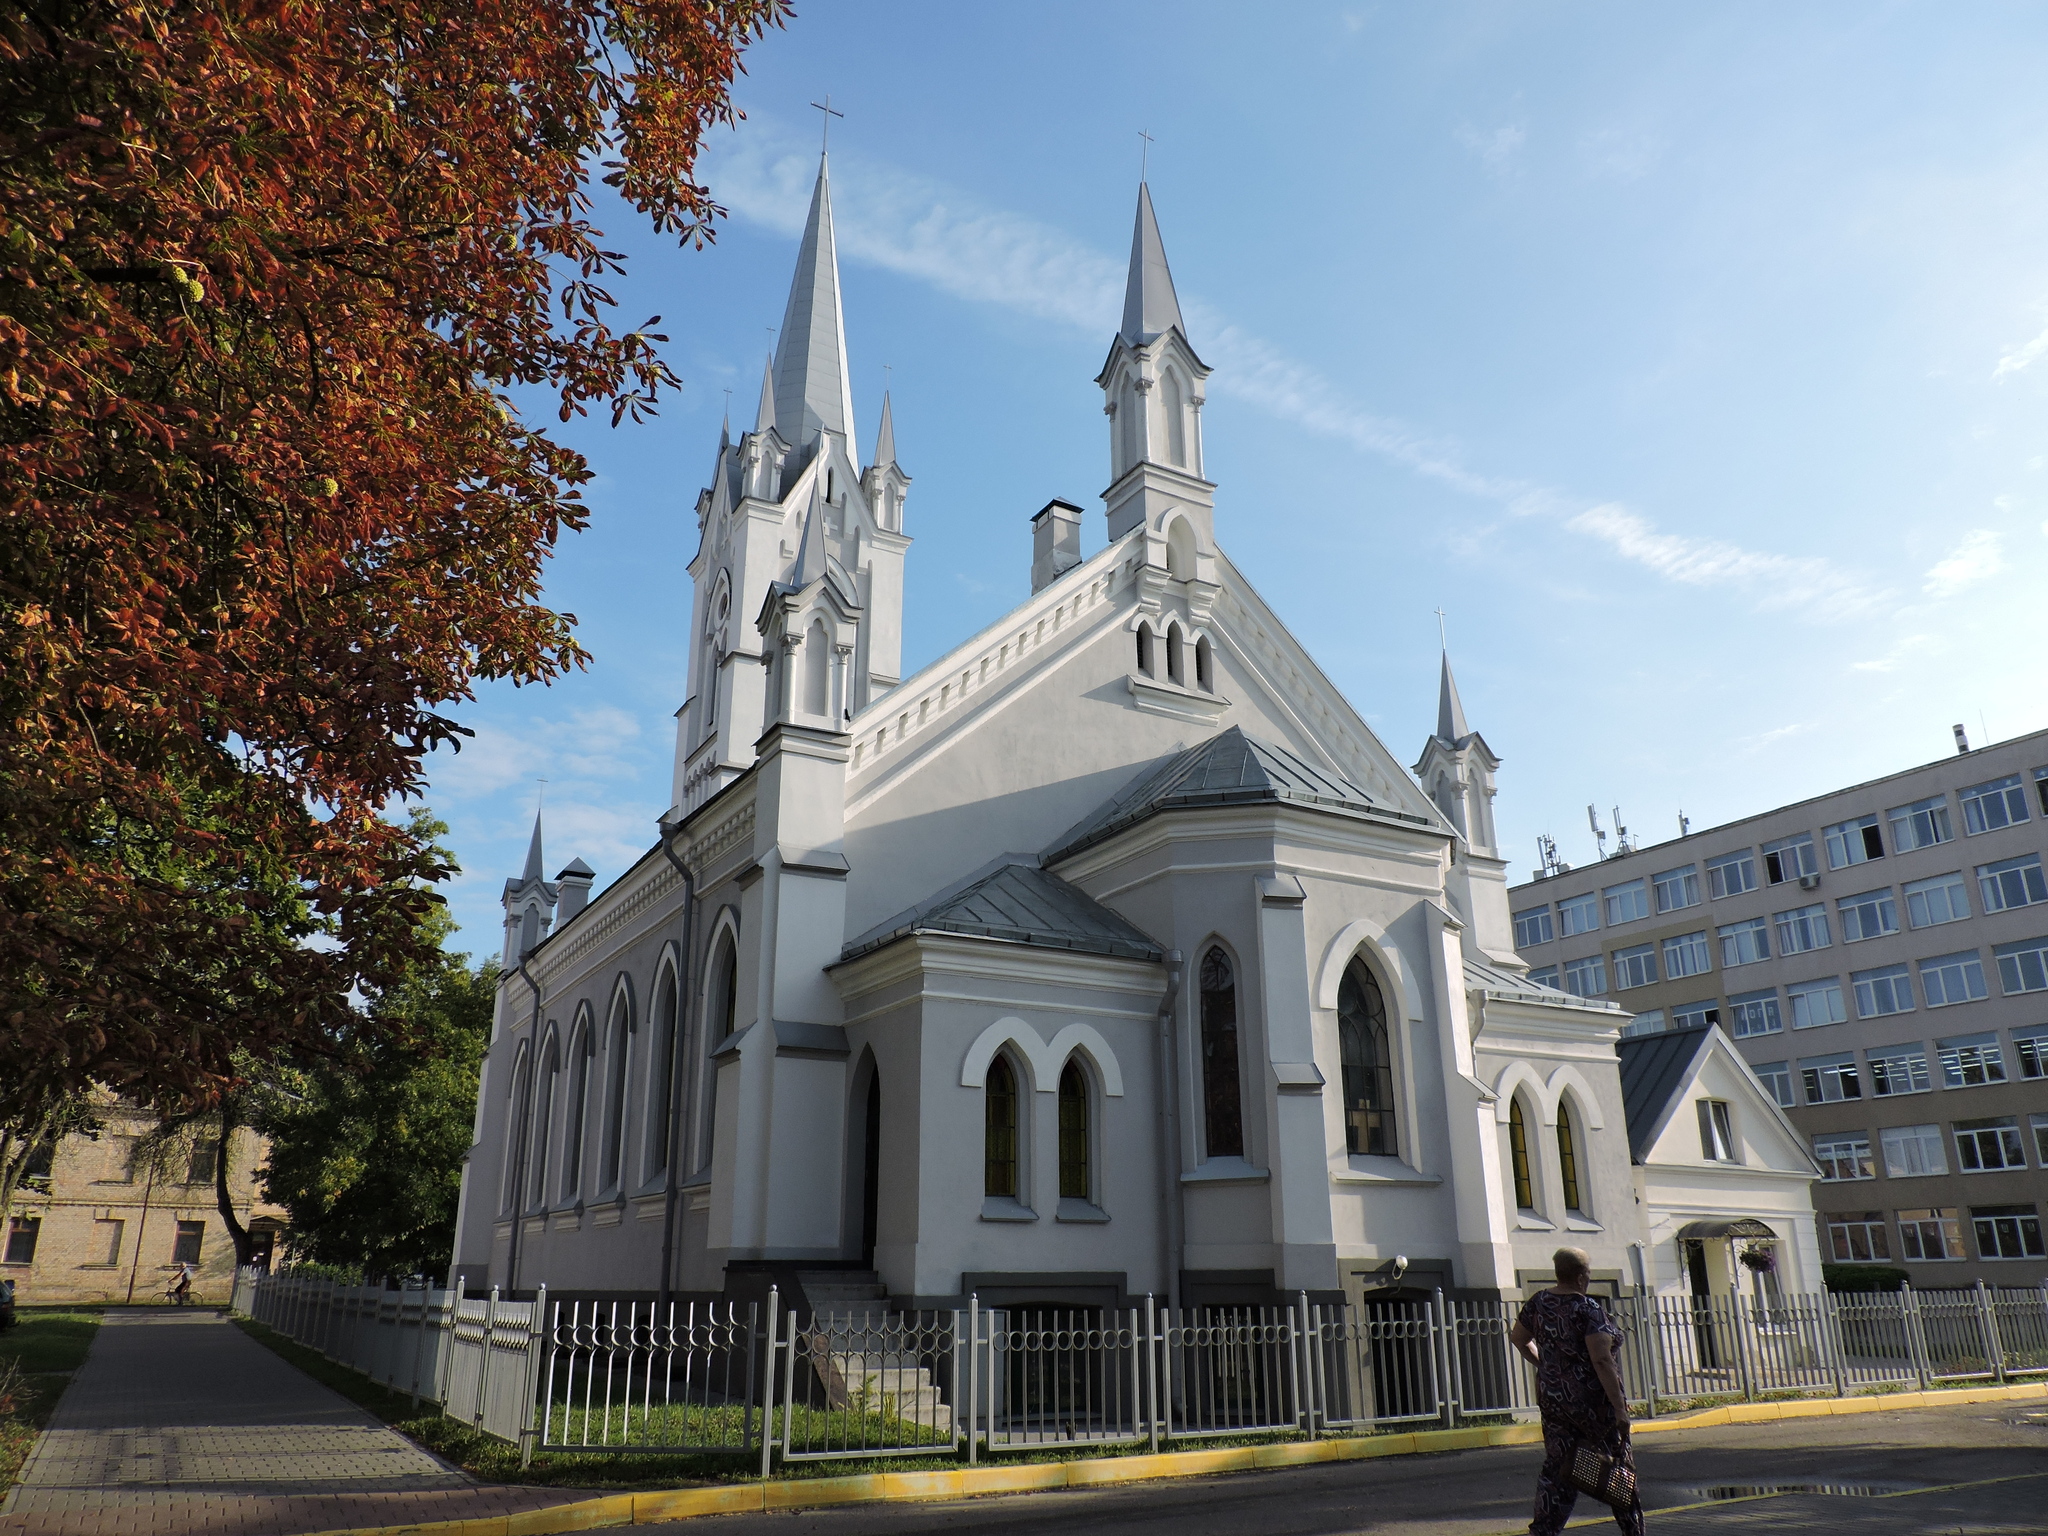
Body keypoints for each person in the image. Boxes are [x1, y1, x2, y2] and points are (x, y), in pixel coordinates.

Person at [1509, 1246, 1645, 1536]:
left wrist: (1546, 1366)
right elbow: (1601, 1358)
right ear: (1583, 1276)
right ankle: (1632, 1530)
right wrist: (1620, 1408)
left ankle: (1544, 1530)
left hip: (1554, 1402)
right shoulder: (1588, 1309)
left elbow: (1519, 1338)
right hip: (1593, 1404)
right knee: (1619, 1468)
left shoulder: (1538, 1302)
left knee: (1558, 1467)